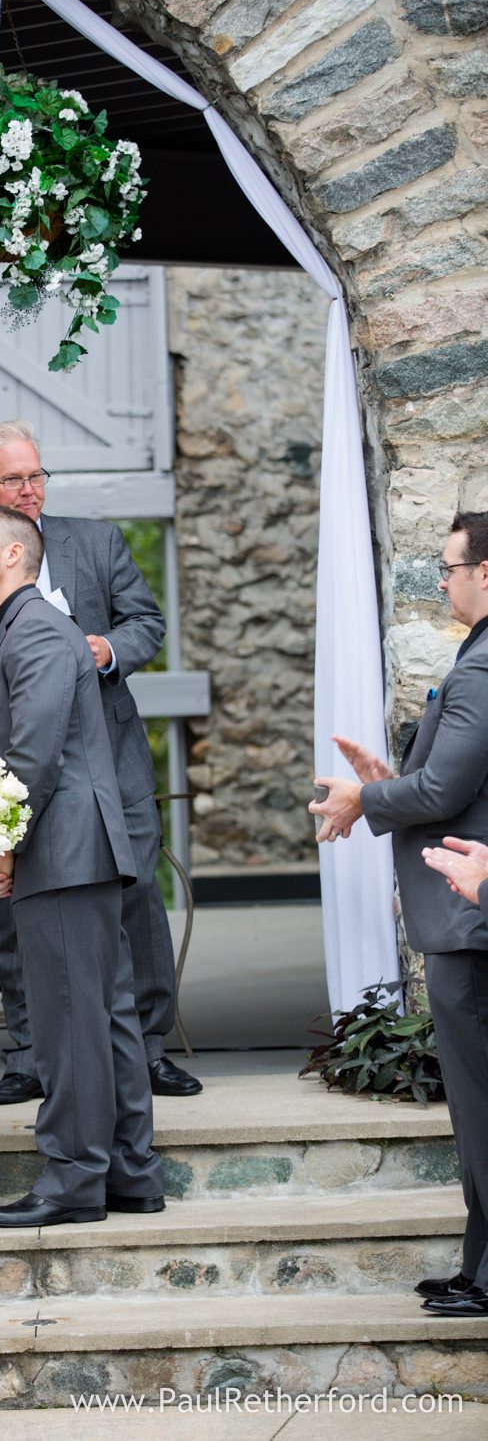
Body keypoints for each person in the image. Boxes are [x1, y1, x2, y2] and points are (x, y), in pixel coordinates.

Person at [0, 419, 200, 1104]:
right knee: (11, 907)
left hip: (110, 758)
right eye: (13, 479)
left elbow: (146, 623)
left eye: (37, 476)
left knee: (137, 895)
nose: (29, 490)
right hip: (5, 765)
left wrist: (106, 651)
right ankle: (29, 1055)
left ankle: (146, 1050)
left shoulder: (97, 540)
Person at [0, 504, 164, 1227]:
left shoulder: (38, 628)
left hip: (65, 852)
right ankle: (130, 1171)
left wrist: (1, 843)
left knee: (69, 1018)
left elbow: (34, 756)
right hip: (77, 850)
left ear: (15, 556)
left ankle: (74, 1180)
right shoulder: (19, 626)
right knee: (105, 1016)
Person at [310, 509, 488, 1319]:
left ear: (486, 571)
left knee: (482, 1104)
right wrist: (386, 777)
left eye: (449, 567)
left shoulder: (482, 668)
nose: (441, 580)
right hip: (462, 912)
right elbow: (448, 777)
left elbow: (447, 793)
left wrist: (365, 794)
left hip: (469, 916)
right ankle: (478, 1265)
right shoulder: (474, 660)